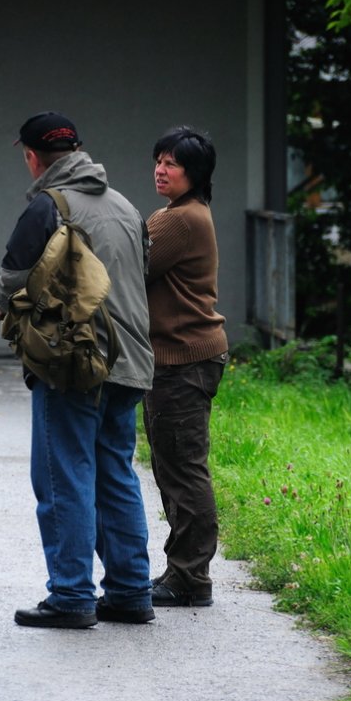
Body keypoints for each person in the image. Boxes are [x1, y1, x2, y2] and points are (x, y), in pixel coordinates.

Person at [0, 111, 155, 628]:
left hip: (75, 365)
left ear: (32, 156)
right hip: (130, 362)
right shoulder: (126, 205)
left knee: (64, 477)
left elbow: (11, 281)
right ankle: (131, 591)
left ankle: (70, 596)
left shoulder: (49, 206)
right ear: (79, 150)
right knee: (116, 474)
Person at [143, 126, 228, 608]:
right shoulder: (187, 213)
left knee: (183, 471)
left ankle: (191, 579)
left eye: (172, 162)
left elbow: (124, 264)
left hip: (183, 358)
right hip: (184, 356)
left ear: (194, 174)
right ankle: (182, 572)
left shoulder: (177, 220)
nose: (161, 168)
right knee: (175, 467)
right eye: (158, 159)